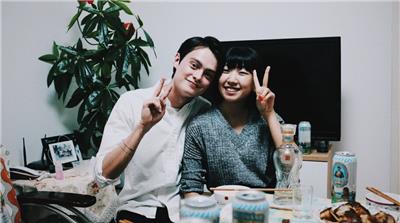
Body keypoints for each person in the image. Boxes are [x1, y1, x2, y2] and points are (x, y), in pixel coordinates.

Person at [94, 36, 224, 223]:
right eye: (194, 66)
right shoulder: (131, 102)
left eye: (208, 75)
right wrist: (142, 127)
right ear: (177, 60)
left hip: (180, 212)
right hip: (135, 210)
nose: (198, 77)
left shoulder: (204, 110)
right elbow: (104, 175)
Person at [180, 47, 283, 196]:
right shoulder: (200, 125)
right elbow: (190, 187)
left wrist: (269, 113)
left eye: (242, 73)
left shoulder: (269, 120)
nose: (232, 80)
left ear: (255, 82)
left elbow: (291, 165)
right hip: (220, 208)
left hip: (262, 206)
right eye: (226, 71)